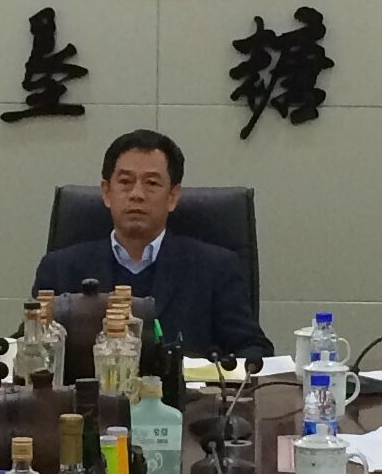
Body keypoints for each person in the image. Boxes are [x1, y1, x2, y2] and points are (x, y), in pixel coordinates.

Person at [29, 128, 271, 363]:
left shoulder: (216, 268)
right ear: (107, 193)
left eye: (152, 183)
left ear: (172, 197)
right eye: (125, 182)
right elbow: (30, 345)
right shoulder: (60, 269)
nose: (137, 194)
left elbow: (253, 350)